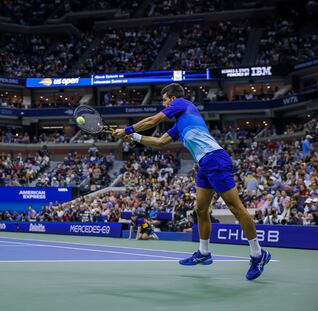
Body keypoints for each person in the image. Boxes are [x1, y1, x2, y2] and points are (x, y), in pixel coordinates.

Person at [114, 83, 271, 280]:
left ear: (172, 99)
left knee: (236, 208)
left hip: (215, 158)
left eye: (164, 100)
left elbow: (154, 119)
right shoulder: (179, 125)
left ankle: (258, 254)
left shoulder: (182, 102)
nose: (163, 104)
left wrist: (128, 129)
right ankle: (204, 252)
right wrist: (135, 137)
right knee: (201, 209)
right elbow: (159, 142)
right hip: (204, 164)